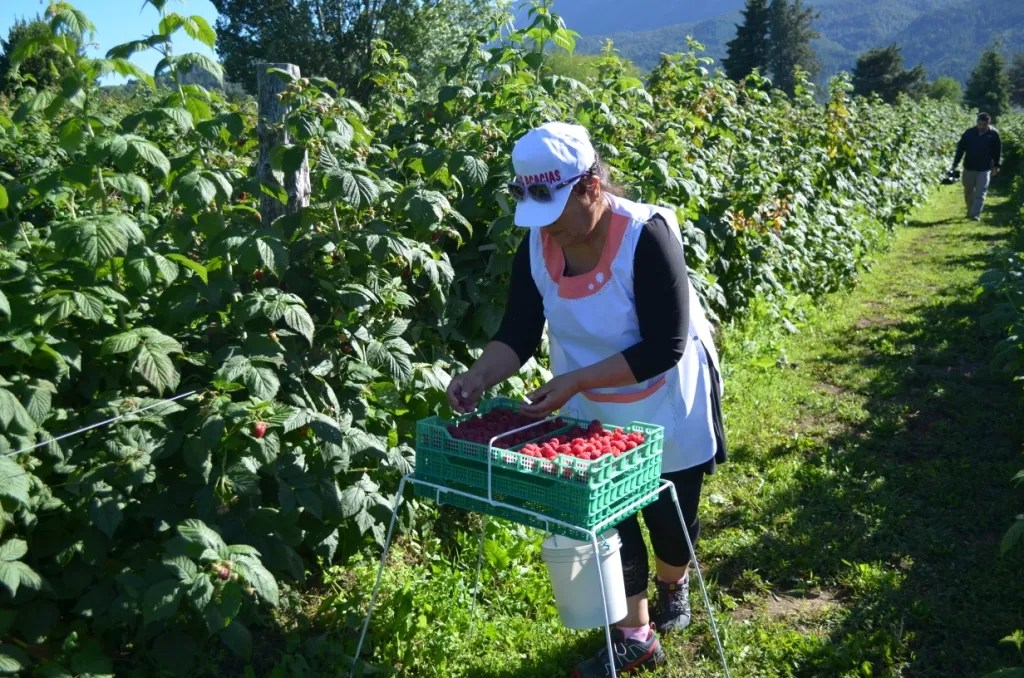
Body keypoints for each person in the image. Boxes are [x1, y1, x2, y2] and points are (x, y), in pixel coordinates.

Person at [446, 122, 727, 677]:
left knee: (670, 518)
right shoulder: (540, 238)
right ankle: (634, 633)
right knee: (605, 516)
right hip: (590, 402)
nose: (549, 229)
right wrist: (479, 375)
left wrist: (574, 382)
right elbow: (520, 330)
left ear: (591, 188)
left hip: (666, 394)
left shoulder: (646, 235)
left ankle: (675, 583)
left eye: (556, 214)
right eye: (537, 216)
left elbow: (665, 345)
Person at [951, 112, 1001, 221]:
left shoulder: (993, 134)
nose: (981, 126)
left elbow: (997, 151)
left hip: (985, 168)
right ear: (977, 122)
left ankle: (975, 215)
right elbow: (960, 149)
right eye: (979, 123)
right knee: (968, 190)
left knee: (981, 192)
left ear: (988, 123)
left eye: (984, 124)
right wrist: (955, 163)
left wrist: (996, 165)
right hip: (969, 166)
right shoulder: (969, 133)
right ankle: (970, 210)